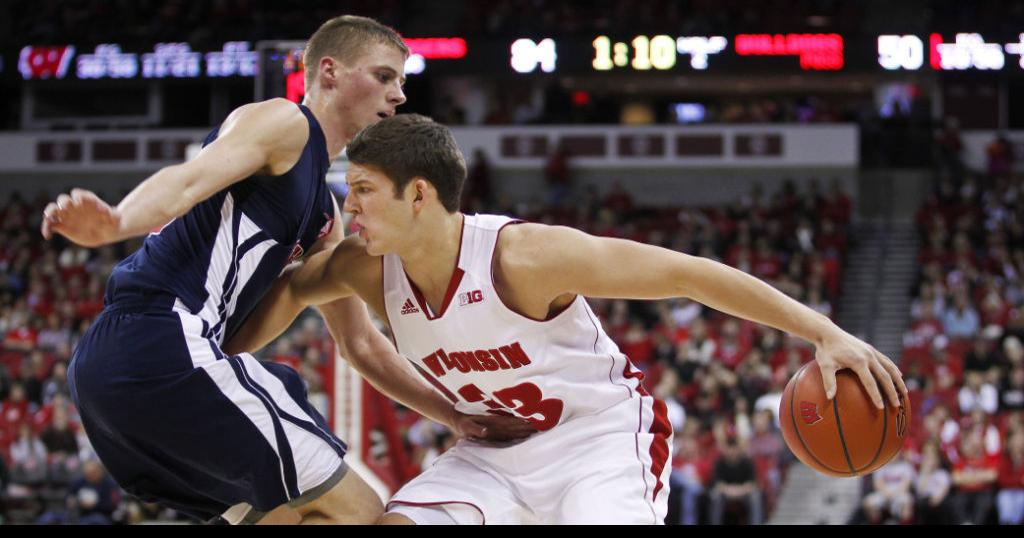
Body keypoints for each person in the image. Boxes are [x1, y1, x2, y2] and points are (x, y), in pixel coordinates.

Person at [228, 114, 908, 525]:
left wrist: (824, 331)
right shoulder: (362, 267)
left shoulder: (523, 256)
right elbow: (286, 297)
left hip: (598, 442)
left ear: (418, 195)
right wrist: (198, 355)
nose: (352, 210)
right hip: (494, 454)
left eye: (366, 192)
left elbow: (685, 274)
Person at [39, 16, 531, 525]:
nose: (399, 94)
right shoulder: (286, 125)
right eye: (385, 76)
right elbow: (188, 181)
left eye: (402, 82)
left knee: (286, 518)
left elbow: (359, 344)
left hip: (114, 375)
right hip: (160, 342)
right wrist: (118, 221)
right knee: (361, 512)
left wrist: (449, 412)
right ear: (330, 71)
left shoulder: (323, 217)